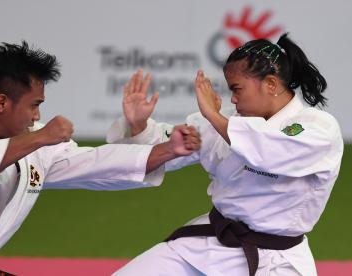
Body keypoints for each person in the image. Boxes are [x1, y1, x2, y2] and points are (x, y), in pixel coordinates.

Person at [0, 41, 201, 276]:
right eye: (34, 105)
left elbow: (94, 164)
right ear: (1, 102)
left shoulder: (30, 146)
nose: (38, 115)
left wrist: (165, 150)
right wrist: (41, 136)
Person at [107, 33, 343, 275]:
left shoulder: (318, 127)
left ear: (271, 84)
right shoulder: (228, 120)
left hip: (276, 262)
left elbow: (269, 151)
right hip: (209, 246)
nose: (232, 98)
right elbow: (171, 144)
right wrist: (139, 125)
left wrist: (213, 115)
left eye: (237, 89)